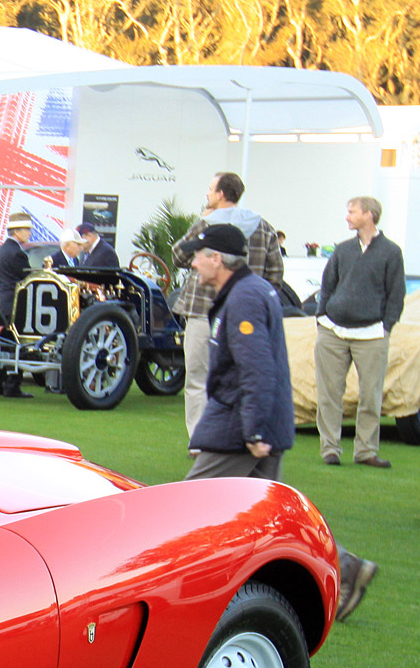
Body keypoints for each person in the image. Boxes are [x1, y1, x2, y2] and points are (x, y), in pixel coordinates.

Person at [184, 223, 377, 618]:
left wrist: (253, 430)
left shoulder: (245, 298)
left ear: (216, 259)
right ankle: (347, 567)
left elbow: (255, 367)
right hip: (256, 422)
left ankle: (183, 591)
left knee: (186, 504)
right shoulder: (249, 291)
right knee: (270, 518)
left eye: (198, 257)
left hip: (241, 428)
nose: (193, 264)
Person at [173, 172, 285, 441]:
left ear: (221, 194)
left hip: (203, 308)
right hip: (247, 311)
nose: (208, 194)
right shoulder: (264, 227)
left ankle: (200, 440)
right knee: (242, 377)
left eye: (210, 189)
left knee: (198, 379)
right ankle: (239, 434)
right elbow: (275, 273)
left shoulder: (206, 224)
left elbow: (178, 256)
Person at [313, 195, 405, 467]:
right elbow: (327, 285)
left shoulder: (391, 252)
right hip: (333, 332)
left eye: (352, 212)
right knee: (329, 394)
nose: (347, 216)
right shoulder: (342, 250)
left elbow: (396, 294)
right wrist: (322, 316)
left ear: (368, 215)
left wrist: (386, 326)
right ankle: (329, 448)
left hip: (373, 333)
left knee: (370, 395)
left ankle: (366, 451)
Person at [0, 213, 35, 398]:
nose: (29, 233)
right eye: (27, 230)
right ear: (16, 231)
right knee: (17, 344)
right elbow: (26, 280)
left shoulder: (1, 250)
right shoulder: (17, 253)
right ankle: (13, 385)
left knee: (4, 344)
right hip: (15, 303)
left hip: (2, 301)